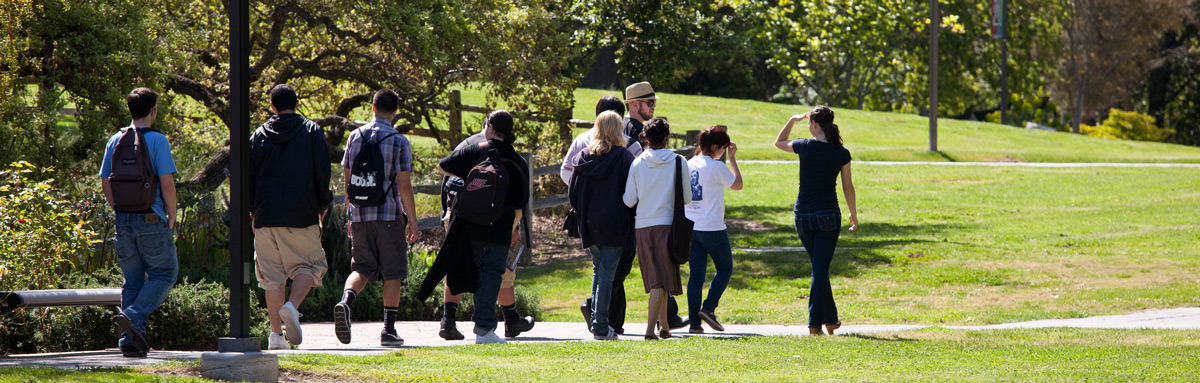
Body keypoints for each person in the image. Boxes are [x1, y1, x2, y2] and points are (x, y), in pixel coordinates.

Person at [332, 89, 419, 347]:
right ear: (395, 111)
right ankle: (388, 331)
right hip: (389, 215)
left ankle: (345, 302)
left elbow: (348, 180)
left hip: (359, 214)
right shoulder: (399, 141)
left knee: (361, 267)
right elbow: (404, 186)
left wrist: (350, 214)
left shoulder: (354, 137)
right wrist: (412, 221)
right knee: (393, 272)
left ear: (372, 107)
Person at [249, 84, 333, 349]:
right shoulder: (311, 131)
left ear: (271, 106)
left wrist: (252, 211)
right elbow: (322, 171)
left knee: (272, 277)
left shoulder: (257, 135)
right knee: (312, 266)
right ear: (297, 103)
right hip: (301, 212)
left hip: (264, 215)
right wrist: (323, 203)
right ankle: (292, 306)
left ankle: (276, 337)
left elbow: (248, 177)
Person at [434, 110, 529, 344]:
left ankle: (454, 321)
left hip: (470, 223)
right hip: (500, 226)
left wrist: (469, 178)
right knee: (491, 274)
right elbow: (520, 206)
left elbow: (442, 166)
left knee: (472, 270)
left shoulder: (476, 151)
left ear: (489, 127)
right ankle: (484, 329)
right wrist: (513, 227)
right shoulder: (518, 161)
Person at [99, 87, 178, 358]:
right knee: (165, 274)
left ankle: (129, 342)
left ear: (130, 110)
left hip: (123, 219)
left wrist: (118, 209)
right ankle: (132, 316)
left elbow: (105, 180)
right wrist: (172, 214)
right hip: (151, 216)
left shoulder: (115, 140)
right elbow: (167, 184)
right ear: (153, 110)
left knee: (132, 282)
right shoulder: (158, 140)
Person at [772, 105, 858, 336]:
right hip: (828, 215)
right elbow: (848, 186)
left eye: (809, 121)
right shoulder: (842, 152)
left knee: (819, 269)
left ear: (814, 124)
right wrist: (854, 213)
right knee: (819, 269)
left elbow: (779, 143)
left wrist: (792, 119)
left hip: (803, 216)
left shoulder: (804, 146)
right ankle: (814, 324)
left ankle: (830, 320)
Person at [568, 111, 636, 340]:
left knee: (599, 271)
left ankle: (598, 323)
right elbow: (632, 193)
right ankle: (600, 327)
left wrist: (583, 213)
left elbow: (572, 193)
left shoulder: (582, 157)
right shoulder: (624, 157)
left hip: (589, 222)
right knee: (607, 273)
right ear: (617, 130)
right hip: (616, 223)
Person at [623, 118, 690, 340]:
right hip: (668, 225)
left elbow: (629, 200)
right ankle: (651, 330)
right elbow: (687, 198)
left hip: (642, 226)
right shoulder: (679, 161)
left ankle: (664, 327)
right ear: (667, 138)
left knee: (656, 280)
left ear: (646, 139)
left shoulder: (637, 163)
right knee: (660, 281)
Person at [683, 126, 743, 334]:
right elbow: (738, 185)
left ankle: (694, 323)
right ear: (716, 147)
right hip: (713, 227)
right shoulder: (716, 166)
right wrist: (733, 159)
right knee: (725, 268)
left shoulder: (688, 163)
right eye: (724, 149)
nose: (724, 152)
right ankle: (708, 308)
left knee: (696, 275)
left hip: (691, 225)